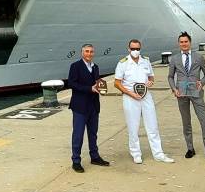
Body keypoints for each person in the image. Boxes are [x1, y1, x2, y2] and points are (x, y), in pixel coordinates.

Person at [114, 39, 175, 164]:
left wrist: (151, 82)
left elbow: (151, 77)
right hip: (130, 97)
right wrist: (130, 93)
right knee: (133, 127)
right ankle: (136, 154)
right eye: (133, 49)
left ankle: (158, 154)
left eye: (137, 49)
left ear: (140, 49)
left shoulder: (145, 61)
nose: (135, 51)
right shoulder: (123, 63)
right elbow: (117, 83)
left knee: (153, 125)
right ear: (128, 49)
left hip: (146, 95)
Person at [168, 32, 205, 162]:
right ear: (179, 44)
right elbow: (170, 76)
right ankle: (190, 148)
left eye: (186, 42)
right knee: (186, 122)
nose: (184, 44)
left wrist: (202, 82)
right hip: (182, 93)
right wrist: (174, 88)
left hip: (196, 92)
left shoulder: (199, 57)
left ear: (190, 43)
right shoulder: (174, 59)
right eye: (181, 42)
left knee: (204, 121)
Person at [67, 43, 109, 172]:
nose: (89, 54)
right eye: (87, 51)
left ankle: (94, 157)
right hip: (80, 106)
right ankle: (76, 161)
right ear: (82, 53)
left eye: (91, 52)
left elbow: (96, 82)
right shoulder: (75, 66)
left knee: (93, 133)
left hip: (93, 106)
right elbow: (71, 83)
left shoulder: (95, 67)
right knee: (78, 135)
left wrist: (101, 87)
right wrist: (89, 88)